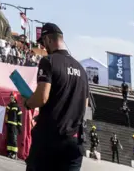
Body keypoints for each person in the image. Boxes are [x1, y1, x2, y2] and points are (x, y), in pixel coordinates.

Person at [23, 22, 88, 170]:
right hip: (74, 142)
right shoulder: (81, 70)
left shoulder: (49, 61)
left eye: (43, 43)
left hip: (50, 139)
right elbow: (84, 105)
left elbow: (42, 97)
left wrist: (27, 103)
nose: (43, 47)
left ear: (48, 39)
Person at [6, 91, 22, 158]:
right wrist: (6, 122)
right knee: (9, 139)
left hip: (14, 126)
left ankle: (14, 153)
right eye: (10, 97)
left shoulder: (17, 107)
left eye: (12, 97)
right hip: (9, 125)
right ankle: (9, 152)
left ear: (15, 98)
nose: (11, 98)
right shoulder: (8, 106)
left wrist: (19, 126)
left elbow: (19, 118)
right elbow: (6, 115)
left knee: (13, 139)